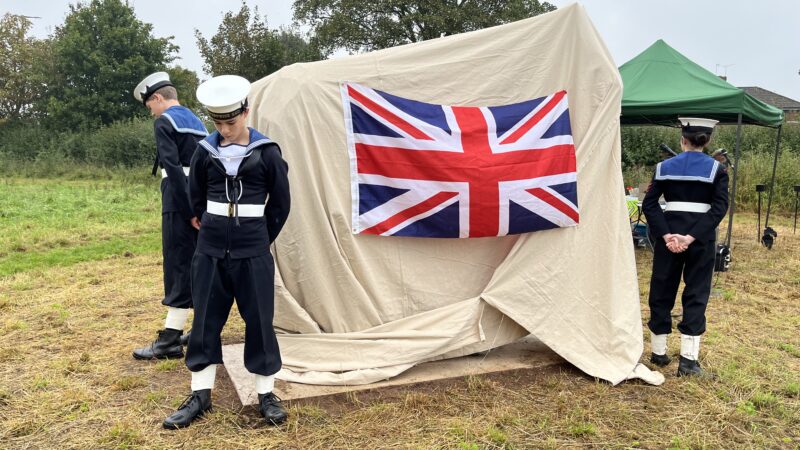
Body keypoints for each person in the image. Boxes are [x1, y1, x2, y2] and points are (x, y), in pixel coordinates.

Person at [163, 75, 291, 429]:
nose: (225, 129)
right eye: (218, 123)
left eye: (231, 122)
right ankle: (199, 395)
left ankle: (266, 395)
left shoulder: (267, 153)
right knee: (205, 321)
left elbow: (281, 206)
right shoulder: (206, 151)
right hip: (210, 252)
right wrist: (213, 233)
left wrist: (257, 240)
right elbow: (195, 197)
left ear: (246, 112)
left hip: (253, 251)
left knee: (260, 322)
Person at [642, 117, 729, 378]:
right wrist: (691, 237)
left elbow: (650, 204)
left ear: (683, 139)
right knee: (696, 293)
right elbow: (719, 207)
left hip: (668, 239)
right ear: (708, 140)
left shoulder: (663, 167)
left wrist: (668, 235)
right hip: (700, 240)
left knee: (661, 290)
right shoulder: (718, 170)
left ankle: (658, 353)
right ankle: (689, 362)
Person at [132, 72, 207, 360]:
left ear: (158, 98)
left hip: (178, 202)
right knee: (199, 264)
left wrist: (187, 211)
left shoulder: (165, 122)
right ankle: (200, 328)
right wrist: (199, 207)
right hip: (201, 198)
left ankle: (170, 340)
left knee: (178, 264)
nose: (150, 111)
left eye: (150, 104)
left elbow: (173, 169)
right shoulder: (197, 121)